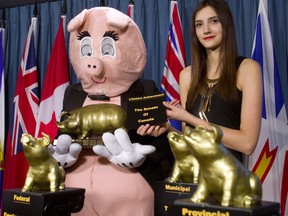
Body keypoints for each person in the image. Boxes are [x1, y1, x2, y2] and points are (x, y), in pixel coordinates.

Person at [163, 0, 262, 162]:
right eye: (199, 25)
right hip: (193, 181)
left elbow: (247, 143)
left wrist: (189, 118)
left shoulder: (247, 69)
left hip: (229, 180)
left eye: (214, 21)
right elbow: (190, 140)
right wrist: (167, 129)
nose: (206, 30)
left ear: (226, 24)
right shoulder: (187, 75)